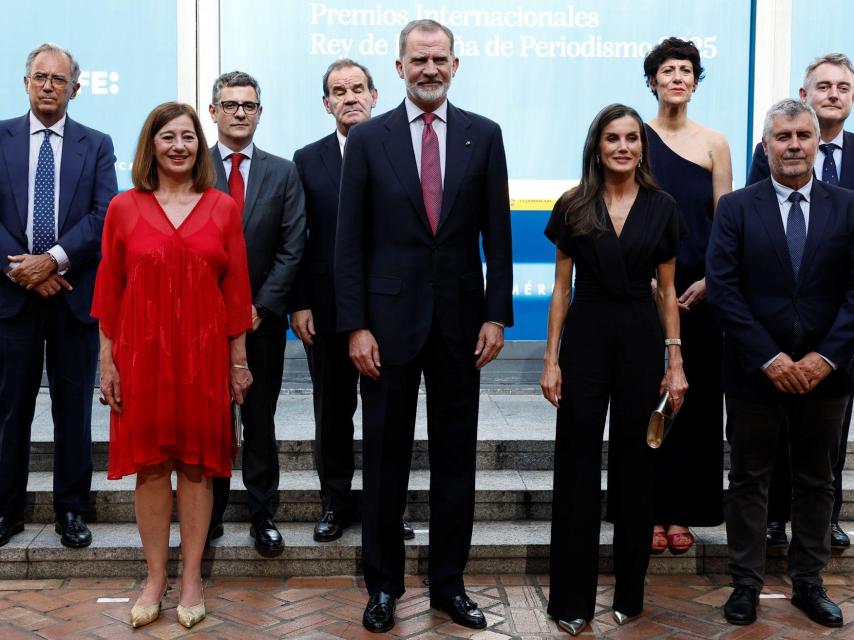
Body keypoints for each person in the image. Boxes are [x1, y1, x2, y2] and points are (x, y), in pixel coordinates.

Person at [334, 19, 513, 634]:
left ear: (455, 66)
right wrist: (354, 325)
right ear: (399, 67)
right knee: (384, 462)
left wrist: (497, 313)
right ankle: (381, 587)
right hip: (384, 329)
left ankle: (448, 586)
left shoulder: (483, 136)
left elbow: (499, 233)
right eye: (419, 59)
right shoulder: (367, 139)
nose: (430, 68)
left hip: (463, 327)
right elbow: (348, 243)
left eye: (440, 59)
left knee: (455, 463)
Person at [91, 102, 253, 629]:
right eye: (168, 137)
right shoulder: (123, 207)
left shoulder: (223, 207)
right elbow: (109, 289)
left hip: (204, 358)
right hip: (142, 357)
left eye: (187, 136)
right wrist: (107, 361)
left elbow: (237, 291)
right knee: (152, 466)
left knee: (198, 466)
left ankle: (192, 578)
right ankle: (156, 578)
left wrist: (238, 363)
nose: (179, 145)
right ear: (151, 145)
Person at [540, 103, 688, 636]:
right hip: (586, 337)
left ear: (641, 147)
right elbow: (560, 289)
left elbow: (668, 292)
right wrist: (551, 358)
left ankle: (630, 593)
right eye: (612, 138)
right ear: (596, 147)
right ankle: (571, 601)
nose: (622, 146)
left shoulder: (663, 206)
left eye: (631, 138)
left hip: (641, 338)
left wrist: (675, 361)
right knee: (576, 469)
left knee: (636, 468)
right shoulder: (573, 204)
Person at [708, 99, 854, 628]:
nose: (793, 145)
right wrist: (770, 358)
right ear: (765, 146)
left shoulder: (849, 205)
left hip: (828, 374)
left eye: (802, 136)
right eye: (782, 137)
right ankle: (745, 583)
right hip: (754, 372)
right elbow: (723, 290)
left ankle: (808, 583)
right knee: (749, 478)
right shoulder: (736, 209)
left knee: (817, 481)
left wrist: (825, 357)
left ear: (818, 143)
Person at [291, 60, 414, 543]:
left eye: (358, 88)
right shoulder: (307, 159)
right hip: (325, 308)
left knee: (389, 413)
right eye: (339, 91)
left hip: (389, 307)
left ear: (375, 94)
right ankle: (335, 503)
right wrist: (299, 301)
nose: (350, 97)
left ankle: (389, 506)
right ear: (327, 104)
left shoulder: (401, 148)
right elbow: (297, 236)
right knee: (332, 410)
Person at [0, 43, 117, 549]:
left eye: (59, 79)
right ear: (26, 82)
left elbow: (104, 213)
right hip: (12, 299)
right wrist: (25, 269)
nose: (49, 86)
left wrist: (54, 260)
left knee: (74, 411)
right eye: (40, 77)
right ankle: (6, 511)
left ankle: (71, 510)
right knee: (10, 411)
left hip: (72, 297)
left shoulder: (97, 143)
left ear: (76, 87)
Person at [747, 53, 854, 550]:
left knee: (827, 443)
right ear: (805, 94)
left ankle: (823, 520)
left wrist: (832, 347)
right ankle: (774, 517)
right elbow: (754, 226)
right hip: (777, 322)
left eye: (844, 87)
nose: (835, 94)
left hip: (836, 328)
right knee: (776, 440)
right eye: (824, 86)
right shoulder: (768, 149)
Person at [206, 71, 306, 553]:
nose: (239, 112)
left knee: (260, 419)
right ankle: (210, 516)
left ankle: (263, 514)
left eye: (248, 105)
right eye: (230, 105)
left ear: (260, 113)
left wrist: (261, 305)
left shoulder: (283, 172)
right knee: (212, 421)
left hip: (260, 324)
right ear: (213, 112)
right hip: (202, 325)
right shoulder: (191, 167)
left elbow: (292, 246)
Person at [642, 37, 731, 553]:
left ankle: (683, 513)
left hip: (700, 290)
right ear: (652, 80)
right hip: (646, 287)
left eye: (686, 71)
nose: (677, 77)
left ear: (696, 82)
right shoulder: (636, 137)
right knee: (647, 398)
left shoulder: (714, 143)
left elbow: (725, 223)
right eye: (667, 70)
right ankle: (650, 510)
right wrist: (651, 283)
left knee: (694, 403)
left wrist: (711, 281)